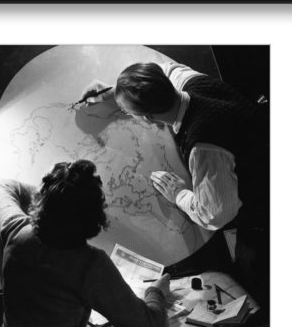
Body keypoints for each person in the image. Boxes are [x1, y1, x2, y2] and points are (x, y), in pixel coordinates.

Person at [79, 61, 269, 311]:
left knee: (259, 288)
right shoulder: (193, 82)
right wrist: (118, 91)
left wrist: (179, 194)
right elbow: (166, 68)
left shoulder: (204, 147)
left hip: (265, 215)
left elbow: (215, 214)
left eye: (128, 112)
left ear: (147, 118)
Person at [0, 159, 169, 327]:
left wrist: (54, 196)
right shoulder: (90, 266)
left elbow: (1, 186)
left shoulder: (16, 230)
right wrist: (156, 292)